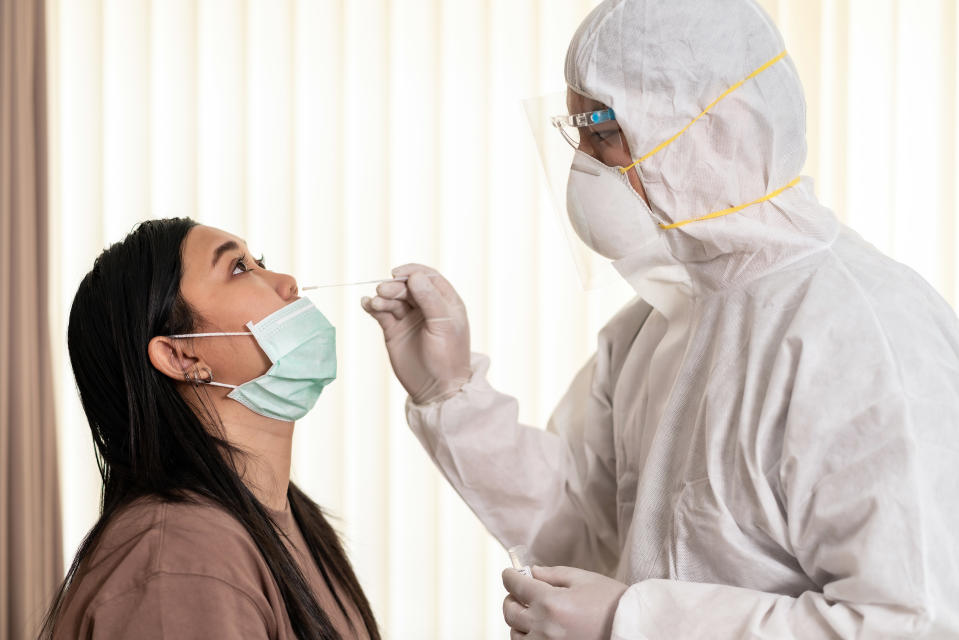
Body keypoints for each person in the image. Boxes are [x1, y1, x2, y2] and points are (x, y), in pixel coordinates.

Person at [361, 0, 959, 638]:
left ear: (719, 129)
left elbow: (913, 620)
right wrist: (450, 394)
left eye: (604, 131)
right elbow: (590, 532)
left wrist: (634, 622)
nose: (584, 165)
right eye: (578, 132)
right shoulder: (660, 321)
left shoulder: (861, 333)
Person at [42, 218, 379, 640]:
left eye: (259, 262)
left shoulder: (289, 521)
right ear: (182, 357)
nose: (288, 283)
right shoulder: (183, 556)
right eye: (239, 268)